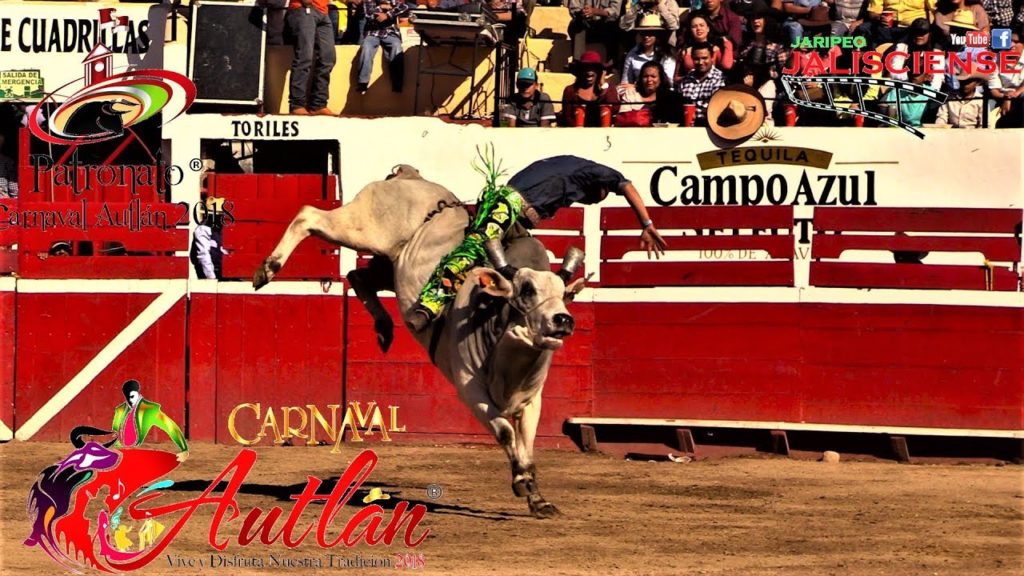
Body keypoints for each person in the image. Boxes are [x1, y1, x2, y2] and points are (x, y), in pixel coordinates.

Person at [408, 151, 669, 331]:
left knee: (527, 267)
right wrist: (646, 223)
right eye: (599, 197)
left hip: (520, 220)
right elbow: (627, 185)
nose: (593, 202)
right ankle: (427, 308)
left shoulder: (568, 167)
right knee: (475, 248)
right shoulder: (597, 171)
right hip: (509, 208)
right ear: (600, 184)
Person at [112, 379, 189, 462]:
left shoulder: (150, 410)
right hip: (121, 453)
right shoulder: (120, 410)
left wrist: (184, 448)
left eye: (132, 396)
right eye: (127, 398)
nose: (130, 400)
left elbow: (171, 427)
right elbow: (115, 431)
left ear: (138, 393)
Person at [287, 0, 337, 115]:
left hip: (323, 12)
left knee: (328, 58)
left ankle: (318, 104)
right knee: (304, 57)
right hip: (302, 8)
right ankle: (297, 104)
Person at [356, 0, 410, 94]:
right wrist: (382, 7)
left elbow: (404, 7)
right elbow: (370, 15)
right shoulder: (368, 1)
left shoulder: (393, 1)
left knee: (397, 48)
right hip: (372, 33)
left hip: (390, 33)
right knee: (366, 48)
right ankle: (362, 83)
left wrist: (388, 14)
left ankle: (397, 84)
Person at [560, 51, 621, 126]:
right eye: (585, 68)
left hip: (603, 135)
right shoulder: (570, 90)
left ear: (600, 71)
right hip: (577, 134)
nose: (589, 72)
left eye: (594, 68)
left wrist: (603, 86)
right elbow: (567, 117)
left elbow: (615, 109)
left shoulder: (609, 88)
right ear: (580, 70)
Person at [616, 61, 686, 124]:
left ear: (661, 79)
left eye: (653, 76)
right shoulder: (631, 94)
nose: (649, 80)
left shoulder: (670, 98)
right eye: (645, 76)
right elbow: (623, 118)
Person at [622, 13, 678, 85]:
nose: (646, 37)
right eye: (643, 33)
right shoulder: (632, 54)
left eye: (650, 34)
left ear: (657, 35)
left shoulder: (667, 54)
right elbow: (625, 81)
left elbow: (668, 82)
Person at [676, 43, 726, 123]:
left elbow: (718, 108)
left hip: (709, 125)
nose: (700, 62)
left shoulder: (720, 79)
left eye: (704, 58)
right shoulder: (686, 80)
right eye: (696, 59)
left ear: (712, 57)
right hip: (686, 125)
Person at [191, 196, 228, 280]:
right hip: (211, 274)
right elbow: (203, 255)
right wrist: (211, 277)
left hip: (223, 273)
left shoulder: (220, 229)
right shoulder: (203, 229)